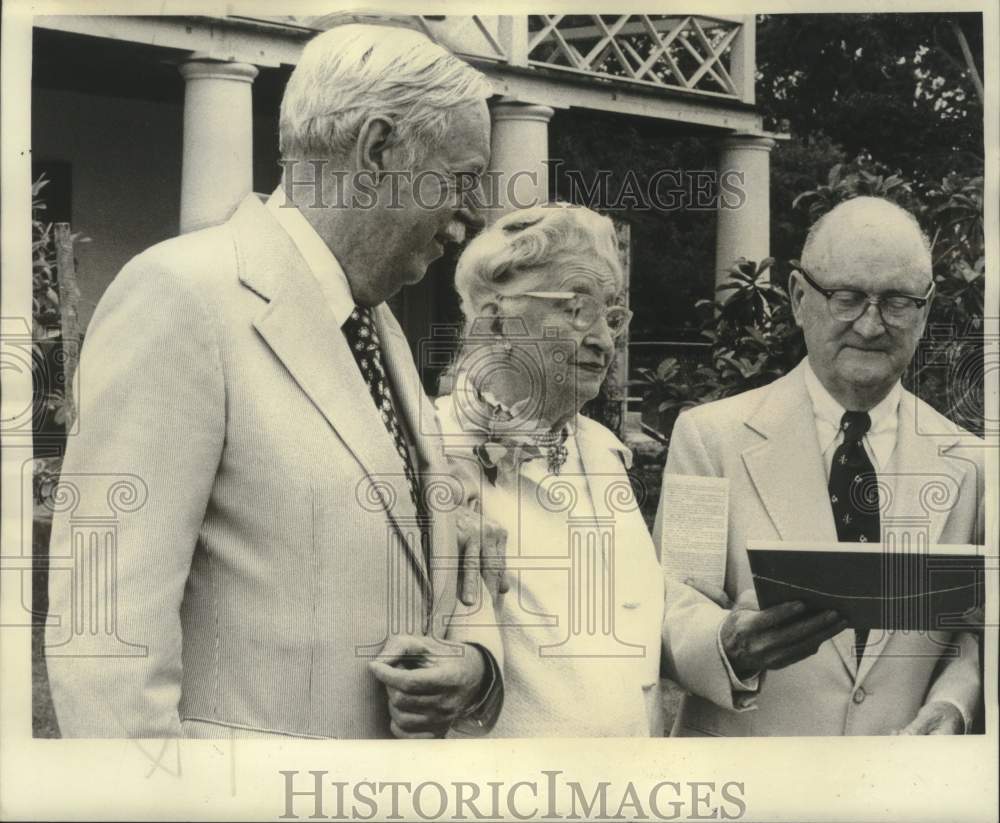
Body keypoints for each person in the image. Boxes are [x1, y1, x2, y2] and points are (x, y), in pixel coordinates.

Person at [45, 23, 505, 739]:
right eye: (462, 178)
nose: (473, 214)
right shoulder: (181, 296)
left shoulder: (378, 331)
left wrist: (463, 666)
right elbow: (104, 640)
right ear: (380, 148)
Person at [654, 196, 983, 736]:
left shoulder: (968, 462)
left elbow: (968, 630)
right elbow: (672, 605)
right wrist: (730, 646)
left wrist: (954, 704)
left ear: (925, 311)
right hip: (749, 792)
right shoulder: (711, 438)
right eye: (847, 298)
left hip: (895, 794)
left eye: (897, 302)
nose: (871, 326)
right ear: (799, 297)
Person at [436, 204, 665, 737]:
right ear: (496, 319)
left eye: (611, 315)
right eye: (574, 310)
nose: (604, 341)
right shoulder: (434, 449)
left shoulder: (604, 450)